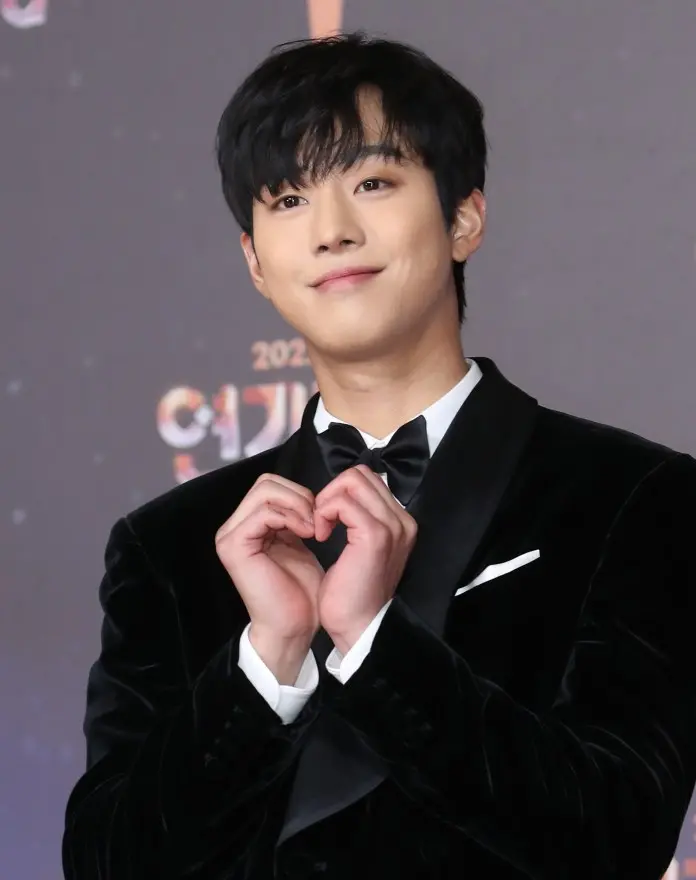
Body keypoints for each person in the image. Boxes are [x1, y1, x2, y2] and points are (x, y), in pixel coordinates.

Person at [62, 31, 696, 880]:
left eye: (372, 182)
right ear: (253, 261)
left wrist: (371, 641)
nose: (331, 230)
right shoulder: (171, 546)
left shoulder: (634, 496)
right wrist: (267, 659)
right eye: (288, 200)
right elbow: (110, 864)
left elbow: (618, 834)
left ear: (464, 215)